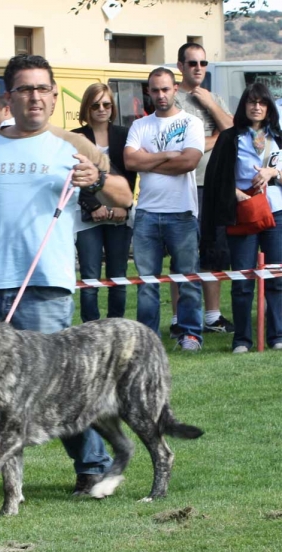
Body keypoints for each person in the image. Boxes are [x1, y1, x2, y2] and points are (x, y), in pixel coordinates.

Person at [0, 54, 133, 507]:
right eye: (25, 89)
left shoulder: (72, 144)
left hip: (46, 287)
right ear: (8, 97)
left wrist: (98, 177)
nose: (36, 97)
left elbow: (124, 196)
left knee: (59, 389)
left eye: (43, 88)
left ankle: (92, 469)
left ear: (52, 94)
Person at [124, 67, 205, 351]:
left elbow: (189, 162)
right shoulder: (140, 126)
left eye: (165, 89)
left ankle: (191, 334)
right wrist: (168, 154)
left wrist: (150, 159)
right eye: (155, 90)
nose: (160, 95)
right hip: (146, 212)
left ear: (174, 90)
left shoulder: (191, 123)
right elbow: (131, 162)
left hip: (182, 212)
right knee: (147, 284)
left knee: (188, 279)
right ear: (148, 91)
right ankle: (148, 340)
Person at [201, 83, 282, 353]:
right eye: (251, 101)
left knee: (276, 277)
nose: (256, 106)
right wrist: (234, 193)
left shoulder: (278, 136)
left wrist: (273, 174)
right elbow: (216, 177)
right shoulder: (230, 137)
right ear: (244, 106)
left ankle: (277, 335)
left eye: (262, 102)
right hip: (245, 214)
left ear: (269, 107)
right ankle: (242, 339)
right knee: (243, 278)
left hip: (276, 212)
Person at [170, 43, 235, 337]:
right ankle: (177, 319)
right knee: (183, 254)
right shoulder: (172, 99)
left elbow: (233, 132)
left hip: (215, 187)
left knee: (214, 252)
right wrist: (215, 137)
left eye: (203, 63)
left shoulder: (213, 97)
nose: (198, 68)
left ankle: (212, 316)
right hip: (186, 186)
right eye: (192, 63)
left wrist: (209, 103)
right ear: (180, 66)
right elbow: (182, 145)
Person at [72, 83, 136, 322]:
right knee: (89, 277)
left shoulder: (125, 135)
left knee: (117, 276)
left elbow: (129, 176)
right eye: (96, 104)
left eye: (106, 104)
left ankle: (116, 327)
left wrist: (121, 206)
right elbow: (74, 176)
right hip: (87, 215)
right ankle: (90, 329)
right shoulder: (76, 136)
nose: (101, 109)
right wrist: (95, 206)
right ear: (87, 107)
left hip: (120, 213)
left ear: (113, 107)